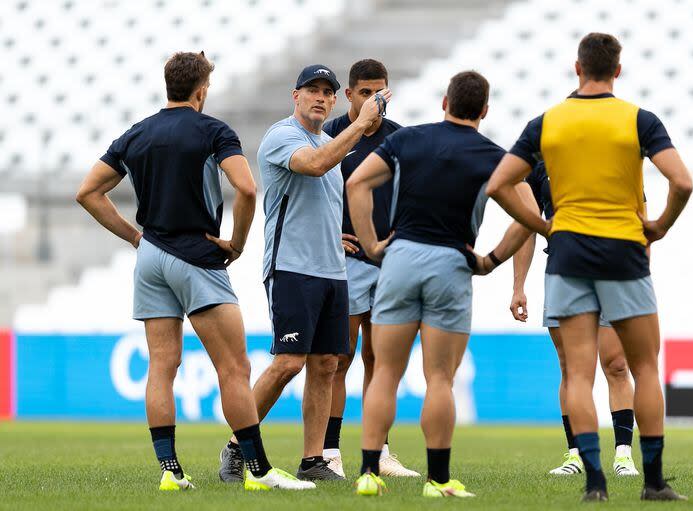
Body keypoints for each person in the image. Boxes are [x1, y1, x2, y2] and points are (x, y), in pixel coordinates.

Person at [76, 51, 314, 492]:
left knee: (162, 367)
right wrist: (237, 244)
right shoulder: (213, 130)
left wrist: (135, 238)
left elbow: (88, 192)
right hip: (196, 254)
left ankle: (170, 471)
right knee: (233, 367)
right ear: (201, 90)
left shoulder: (137, 133)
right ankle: (259, 472)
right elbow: (246, 187)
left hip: (150, 257)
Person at [486, 33, 693, 502]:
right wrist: (658, 225)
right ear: (617, 70)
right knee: (643, 368)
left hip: (567, 256)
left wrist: (544, 225)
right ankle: (654, 482)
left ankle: (595, 482)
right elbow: (681, 181)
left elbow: (499, 184)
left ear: (576, 69)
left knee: (577, 374)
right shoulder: (639, 120)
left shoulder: (547, 123)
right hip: (623, 252)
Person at [347, 70, 535, 498]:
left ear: (444, 102)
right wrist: (490, 260)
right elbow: (530, 214)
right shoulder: (492, 156)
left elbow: (356, 182)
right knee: (439, 379)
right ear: (484, 111)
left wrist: (373, 246)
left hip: (400, 260)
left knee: (385, 374)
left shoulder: (408, 140)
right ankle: (437, 480)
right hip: (451, 263)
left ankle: (368, 473)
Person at [217, 64, 391, 482]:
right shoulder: (284, 136)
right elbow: (313, 165)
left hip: (332, 269)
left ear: (335, 99)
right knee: (289, 362)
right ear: (295, 96)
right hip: (291, 267)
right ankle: (237, 447)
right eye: (311, 89)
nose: (320, 97)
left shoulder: (331, 143)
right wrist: (364, 123)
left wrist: (335, 236)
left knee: (327, 363)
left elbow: (324, 197)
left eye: (327, 92)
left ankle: (314, 459)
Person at [321, 59, 419, 478]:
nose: (373, 101)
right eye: (365, 93)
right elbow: (309, 194)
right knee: (337, 360)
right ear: (349, 95)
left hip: (388, 263)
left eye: (380, 93)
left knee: (380, 361)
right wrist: (329, 238)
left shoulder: (399, 139)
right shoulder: (329, 136)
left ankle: (378, 450)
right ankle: (328, 452)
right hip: (343, 262)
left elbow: (414, 194)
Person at [512, 162, 639, 477]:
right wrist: (518, 286)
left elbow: (637, 215)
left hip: (613, 271)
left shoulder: (615, 154)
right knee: (571, 369)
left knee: (617, 364)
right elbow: (526, 225)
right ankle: (577, 455)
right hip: (562, 272)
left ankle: (623, 455)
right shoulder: (540, 164)